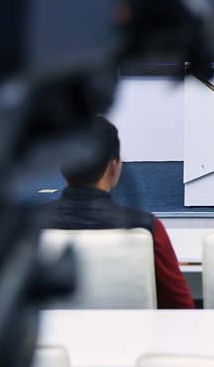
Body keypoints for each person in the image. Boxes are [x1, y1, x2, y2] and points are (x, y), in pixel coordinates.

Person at [44, 116, 194, 309]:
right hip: (133, 330)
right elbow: (182, 309)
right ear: (113, 166)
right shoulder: (147, 229)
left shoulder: (29, 228)